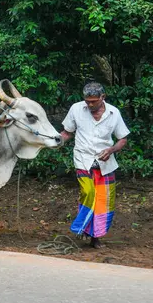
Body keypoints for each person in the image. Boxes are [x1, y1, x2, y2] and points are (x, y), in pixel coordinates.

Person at [60, 82, 130, 249]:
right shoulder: (76, 109)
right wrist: (56, 140)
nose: (89, 104)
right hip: (83, 160)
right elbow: (67, 132)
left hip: (105, 164)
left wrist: (112, 149)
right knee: (88, 192)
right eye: (87, 101)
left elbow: (123, 139)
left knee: (103, 202)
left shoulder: (114, 113)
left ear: (102, 98)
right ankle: (81, 227)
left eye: (93, 101)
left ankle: (95, 238)